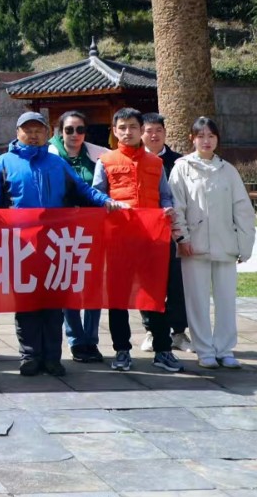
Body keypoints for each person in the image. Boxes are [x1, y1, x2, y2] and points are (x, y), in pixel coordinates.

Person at [0, 111, 126, 377]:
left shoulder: (57, 164)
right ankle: (30, 356)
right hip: (20, 247)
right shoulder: (3, 163)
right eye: (28, 130)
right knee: (26, 304)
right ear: (18, 133)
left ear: (47, 133)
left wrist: (106, 201)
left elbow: (83, 190)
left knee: (54, 304)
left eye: (38, 130)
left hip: (54, 246)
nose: (33, 135)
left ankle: (53, 358)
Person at [93, 108, 182, 373]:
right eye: (122, 127)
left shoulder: (155, 163)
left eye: (133, 127)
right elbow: (97, 196)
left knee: (154, 295)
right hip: (119, 240)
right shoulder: (105, 161)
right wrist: (106, 203)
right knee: (118, 297)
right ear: (114, 130)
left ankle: (163, 350)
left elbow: (165, 195)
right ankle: (122, 350)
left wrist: (167, 208)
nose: (127, 132)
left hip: (151, 240)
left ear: (141, 130)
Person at [170, 116, 256, 370]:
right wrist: (182, 238)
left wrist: (244, 245)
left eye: (211, 136)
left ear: (217, 139)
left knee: (226, 300)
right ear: (192, 139)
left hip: (225, 245)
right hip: (193, 247)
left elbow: (243, 210)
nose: (206, 141)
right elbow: (176, 207)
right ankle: (204, 349)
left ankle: (225, 349)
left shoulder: (228, 170)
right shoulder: (182, 168)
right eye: (201, 136)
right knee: (197, 301)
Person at [52, 110, 104, 364]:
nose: (74, 135)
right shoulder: (50, 156)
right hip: (60, 233)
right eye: (69, 130)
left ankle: (91, 339)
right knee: (68, 287)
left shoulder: (98, 156)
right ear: (60, 131)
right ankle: (76, 339)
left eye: (80, 129)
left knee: (93, 286)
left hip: (92, 231)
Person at [141, 112, 189, 350]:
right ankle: (152, 331)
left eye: (158, 130)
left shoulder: (179, 162)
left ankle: (179, 332)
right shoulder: (137, 161)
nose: (154, 135)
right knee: (149, 285)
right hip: (146, 234)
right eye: (149, 131)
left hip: (174, 232)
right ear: (141, 134)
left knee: (177, 284)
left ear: (165, 133)